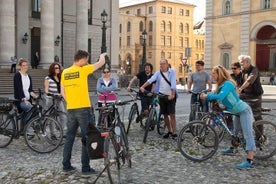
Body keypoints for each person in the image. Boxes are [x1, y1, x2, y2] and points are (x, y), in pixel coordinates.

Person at [60, 50, 107, 176]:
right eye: (86, 60)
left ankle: (66, 166)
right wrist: (102, 56)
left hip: (71, 108)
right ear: (82, 59)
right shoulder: (82, 70)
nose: (87, 62)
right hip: (84, 109)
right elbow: (101, 63)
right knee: (88, 137)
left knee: (69, 137)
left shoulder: (65, 72)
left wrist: (70, 102)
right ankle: (85, 168)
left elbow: (62, 92)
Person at [200, 65, 256, 169]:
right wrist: (208, 95)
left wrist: (207, 96)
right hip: (237, 111)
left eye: (213, 74)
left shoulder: (228, 84)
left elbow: (220, 96)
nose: (212, 76)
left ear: (219, 74)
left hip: (243, 111)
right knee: (235, 132)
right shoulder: (221, 85)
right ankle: (233, 148)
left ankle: (250, 160)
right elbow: (217, 95)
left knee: (248, 134)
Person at [140, 58, 178, 140]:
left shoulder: (172, 72)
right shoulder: (158, 73)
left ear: (167, 64)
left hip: (170, 96)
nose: (162, 65)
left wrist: (172, 94)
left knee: (172, 115)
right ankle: (169, 131)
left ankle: (174, 133)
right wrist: (142, 87)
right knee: (164, 114)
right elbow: (150, 80)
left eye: (163, 63)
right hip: (161, 96)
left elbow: (173, 84)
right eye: (160, 64)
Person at [238, 55, 263, 135]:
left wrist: (240, 88)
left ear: (248, 62)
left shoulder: (254, 70)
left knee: (257, 116)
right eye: (240, 62)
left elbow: (249, 81)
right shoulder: (243, 71)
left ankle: (259, 136)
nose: (241, 64)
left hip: (255, 95)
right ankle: (242, 133)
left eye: (242, 63)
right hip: (246, 94)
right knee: (239, 110)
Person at [13, 58, 38, 127]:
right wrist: (24, 99)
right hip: (20, 100)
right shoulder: (17, 75)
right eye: (23, 65)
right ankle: (25, 128)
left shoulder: (28, 77)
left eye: (26, 65)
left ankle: (25, 128)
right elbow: (19, 89)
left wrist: (35, 96)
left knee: (36, 109)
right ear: (20, 66)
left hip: (28, 100)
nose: (25, 67)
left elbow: (30, 90)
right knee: (30, 109)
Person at [44, 62, 67, 132]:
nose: (58, 69)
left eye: (59, 68)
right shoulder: (48, 78)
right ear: (52, 69)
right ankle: (52, 133)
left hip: (59, 99)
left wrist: (63, 96)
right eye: (56, 68)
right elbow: (46, 89)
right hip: (51, 99)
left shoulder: (60, 78)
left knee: (63, 116)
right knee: (51, 117)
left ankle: (61, 131)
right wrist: (49, 93)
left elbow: (63, 89)